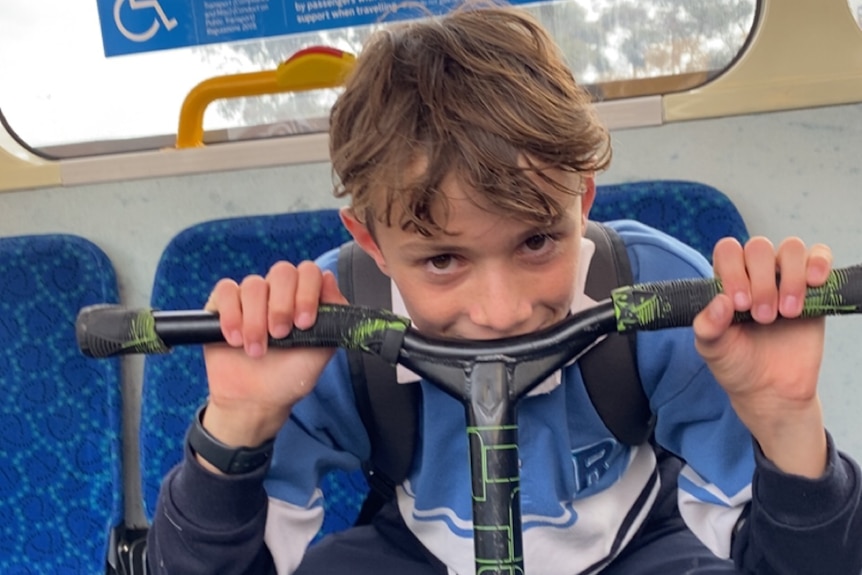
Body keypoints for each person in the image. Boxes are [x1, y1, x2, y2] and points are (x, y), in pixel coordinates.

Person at [146, 4, 862, 574]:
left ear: (582, 200)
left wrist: (784, 421)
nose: (503, 311)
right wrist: (236, 425)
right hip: (418, 549)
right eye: (442, 260)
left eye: (537, 241)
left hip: (641, 544)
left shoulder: (657, 293)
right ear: (372, 242)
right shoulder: (331, 320)